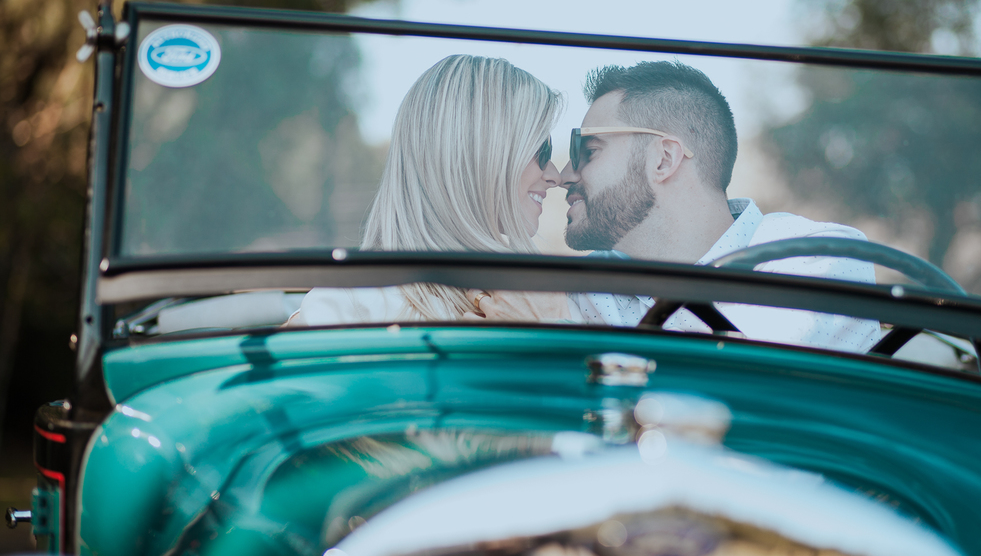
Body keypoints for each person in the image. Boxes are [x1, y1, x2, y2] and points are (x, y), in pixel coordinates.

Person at [555, 60, 882, 352]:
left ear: (663, 159)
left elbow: (757, 388)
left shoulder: (816, 258)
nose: (564, 175)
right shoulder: (591, 287)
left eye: (588, 151)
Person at [288, 54, 575, 326]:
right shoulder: (346, 307)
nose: (554, 175)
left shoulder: (540, 299)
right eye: (541, 149)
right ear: (477, 154)